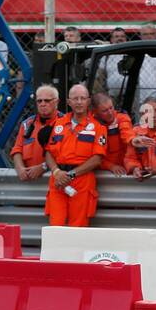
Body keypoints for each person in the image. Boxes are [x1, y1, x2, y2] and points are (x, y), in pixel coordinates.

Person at [43, 84, 106, 228]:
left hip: (81, 180)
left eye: (82, 98)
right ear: (68, 102)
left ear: (88, 101)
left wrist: (70, 175)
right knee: (55, 226)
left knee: (77, 228)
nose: (79, 102)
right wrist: (57, 172)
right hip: (58, 179)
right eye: (75, 98)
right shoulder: (57, 124)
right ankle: (56, 251)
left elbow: (97, 159)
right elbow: (48, 152)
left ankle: (75, 252)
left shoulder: (98, 127)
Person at [10, 85, 63, 184]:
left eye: (47, 101)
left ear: (57, 102)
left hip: (57, 181)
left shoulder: (66, 124)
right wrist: (20, 168)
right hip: (30, 181)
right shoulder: (27, 124)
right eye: (39, 101)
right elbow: (17, 150)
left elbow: (67, 154)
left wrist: (43, 167)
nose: (43, 104)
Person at [91, 92, 134, 178]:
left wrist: (133, 140)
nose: (110, 112)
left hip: (125, 167)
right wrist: (110, 166)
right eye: (105, 111)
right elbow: (93, 155)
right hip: (103, 170)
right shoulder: (91, 126)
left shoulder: (122, 118)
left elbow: (127, 134)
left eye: (111, 108)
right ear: (95, 112)